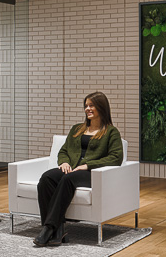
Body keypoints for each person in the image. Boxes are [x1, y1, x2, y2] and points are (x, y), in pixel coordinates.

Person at [34, 92, 122, 247]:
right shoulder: (77, 129)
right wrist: (64, 163)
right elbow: (63, 151)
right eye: (86, 105)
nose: (88, 108)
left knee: (68, 179)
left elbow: (116, 158)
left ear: (101, 107)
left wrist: (88, 165)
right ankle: (58, 230)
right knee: (46, 178)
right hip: (72, 169)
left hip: (91, 173)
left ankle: (48, 228)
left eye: (91, 105)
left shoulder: (111, 132)